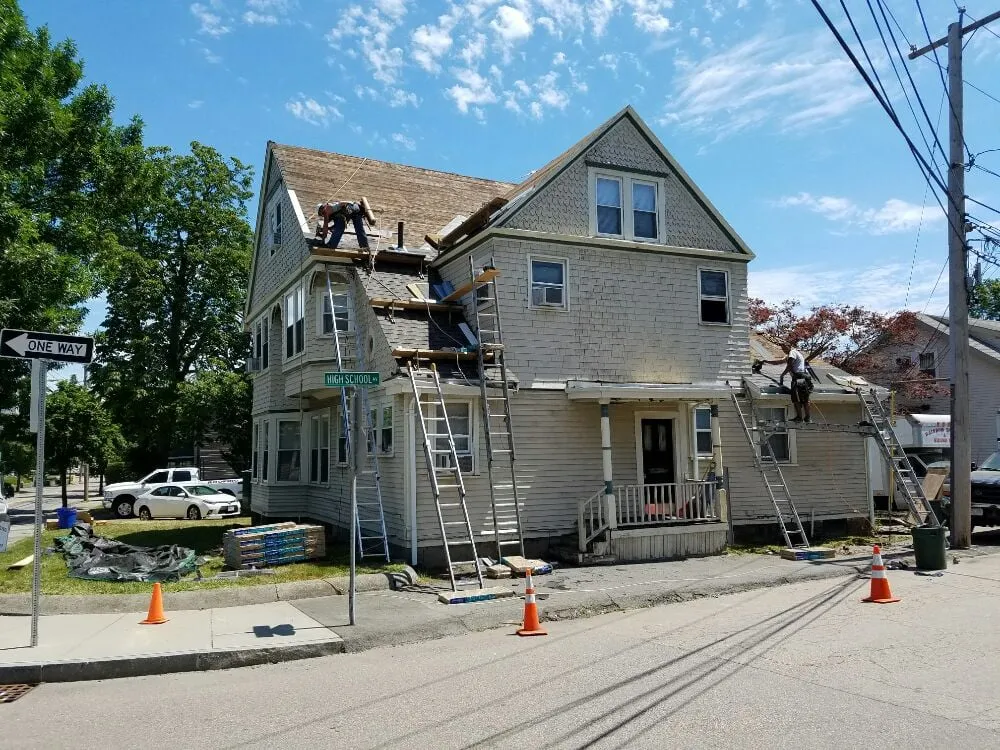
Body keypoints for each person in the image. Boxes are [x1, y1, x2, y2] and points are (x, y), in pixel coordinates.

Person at [759, 344, 814, 423]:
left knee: (797, 398)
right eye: (782, 348)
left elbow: (790, 365)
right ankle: (806, 418)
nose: (783, 349)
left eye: (784, 347)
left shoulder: (793, 352)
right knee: (802, 398)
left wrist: (782, 375)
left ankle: (801, 417)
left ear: (789, 346)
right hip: (802, 377)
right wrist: (765, 361)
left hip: (799, 377)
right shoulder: (791, 354)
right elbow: (778, 362)